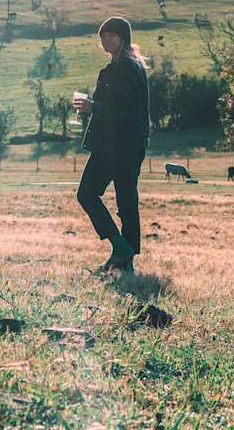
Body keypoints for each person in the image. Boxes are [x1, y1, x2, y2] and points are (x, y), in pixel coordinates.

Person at [74, 16, 150, 274]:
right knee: (126, 201)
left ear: (123, 38)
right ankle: (125, 260)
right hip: (126, 144)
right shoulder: (120, 67)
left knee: (87, 193)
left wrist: (93, 106)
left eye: (112, 36)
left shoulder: (126, 67)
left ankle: (120, 249)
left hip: (117, 145)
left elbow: (127, 109)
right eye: (103, 36)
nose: (106, 40)